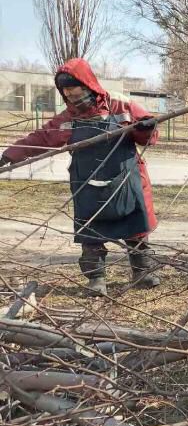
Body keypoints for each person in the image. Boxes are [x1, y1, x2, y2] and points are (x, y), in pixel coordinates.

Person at [0, 58, 160, 297]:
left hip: (127, 180)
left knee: (136, 227)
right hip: (88, 184)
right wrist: (9, 156)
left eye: (77, 93)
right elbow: (42, 138)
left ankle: (143, 273)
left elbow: (149, 138)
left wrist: (145, 128)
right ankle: (96, 280)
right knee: (91, 231)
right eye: (68, 95)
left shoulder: (121, 104)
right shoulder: (67, 118)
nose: (74, 99)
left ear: (89, 86)